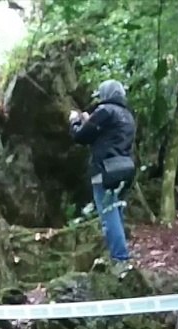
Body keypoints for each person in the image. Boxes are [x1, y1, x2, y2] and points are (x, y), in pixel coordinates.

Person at [69, 79, 136, 265]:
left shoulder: (105, 111)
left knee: (109, 215)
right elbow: (108, 135)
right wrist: (89, 120)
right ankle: (120, 256)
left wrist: (75, 121)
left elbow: (81, 136)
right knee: (117, 213)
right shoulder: (127, 115)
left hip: (104, 171)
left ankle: (120, 259)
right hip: (125, 170)